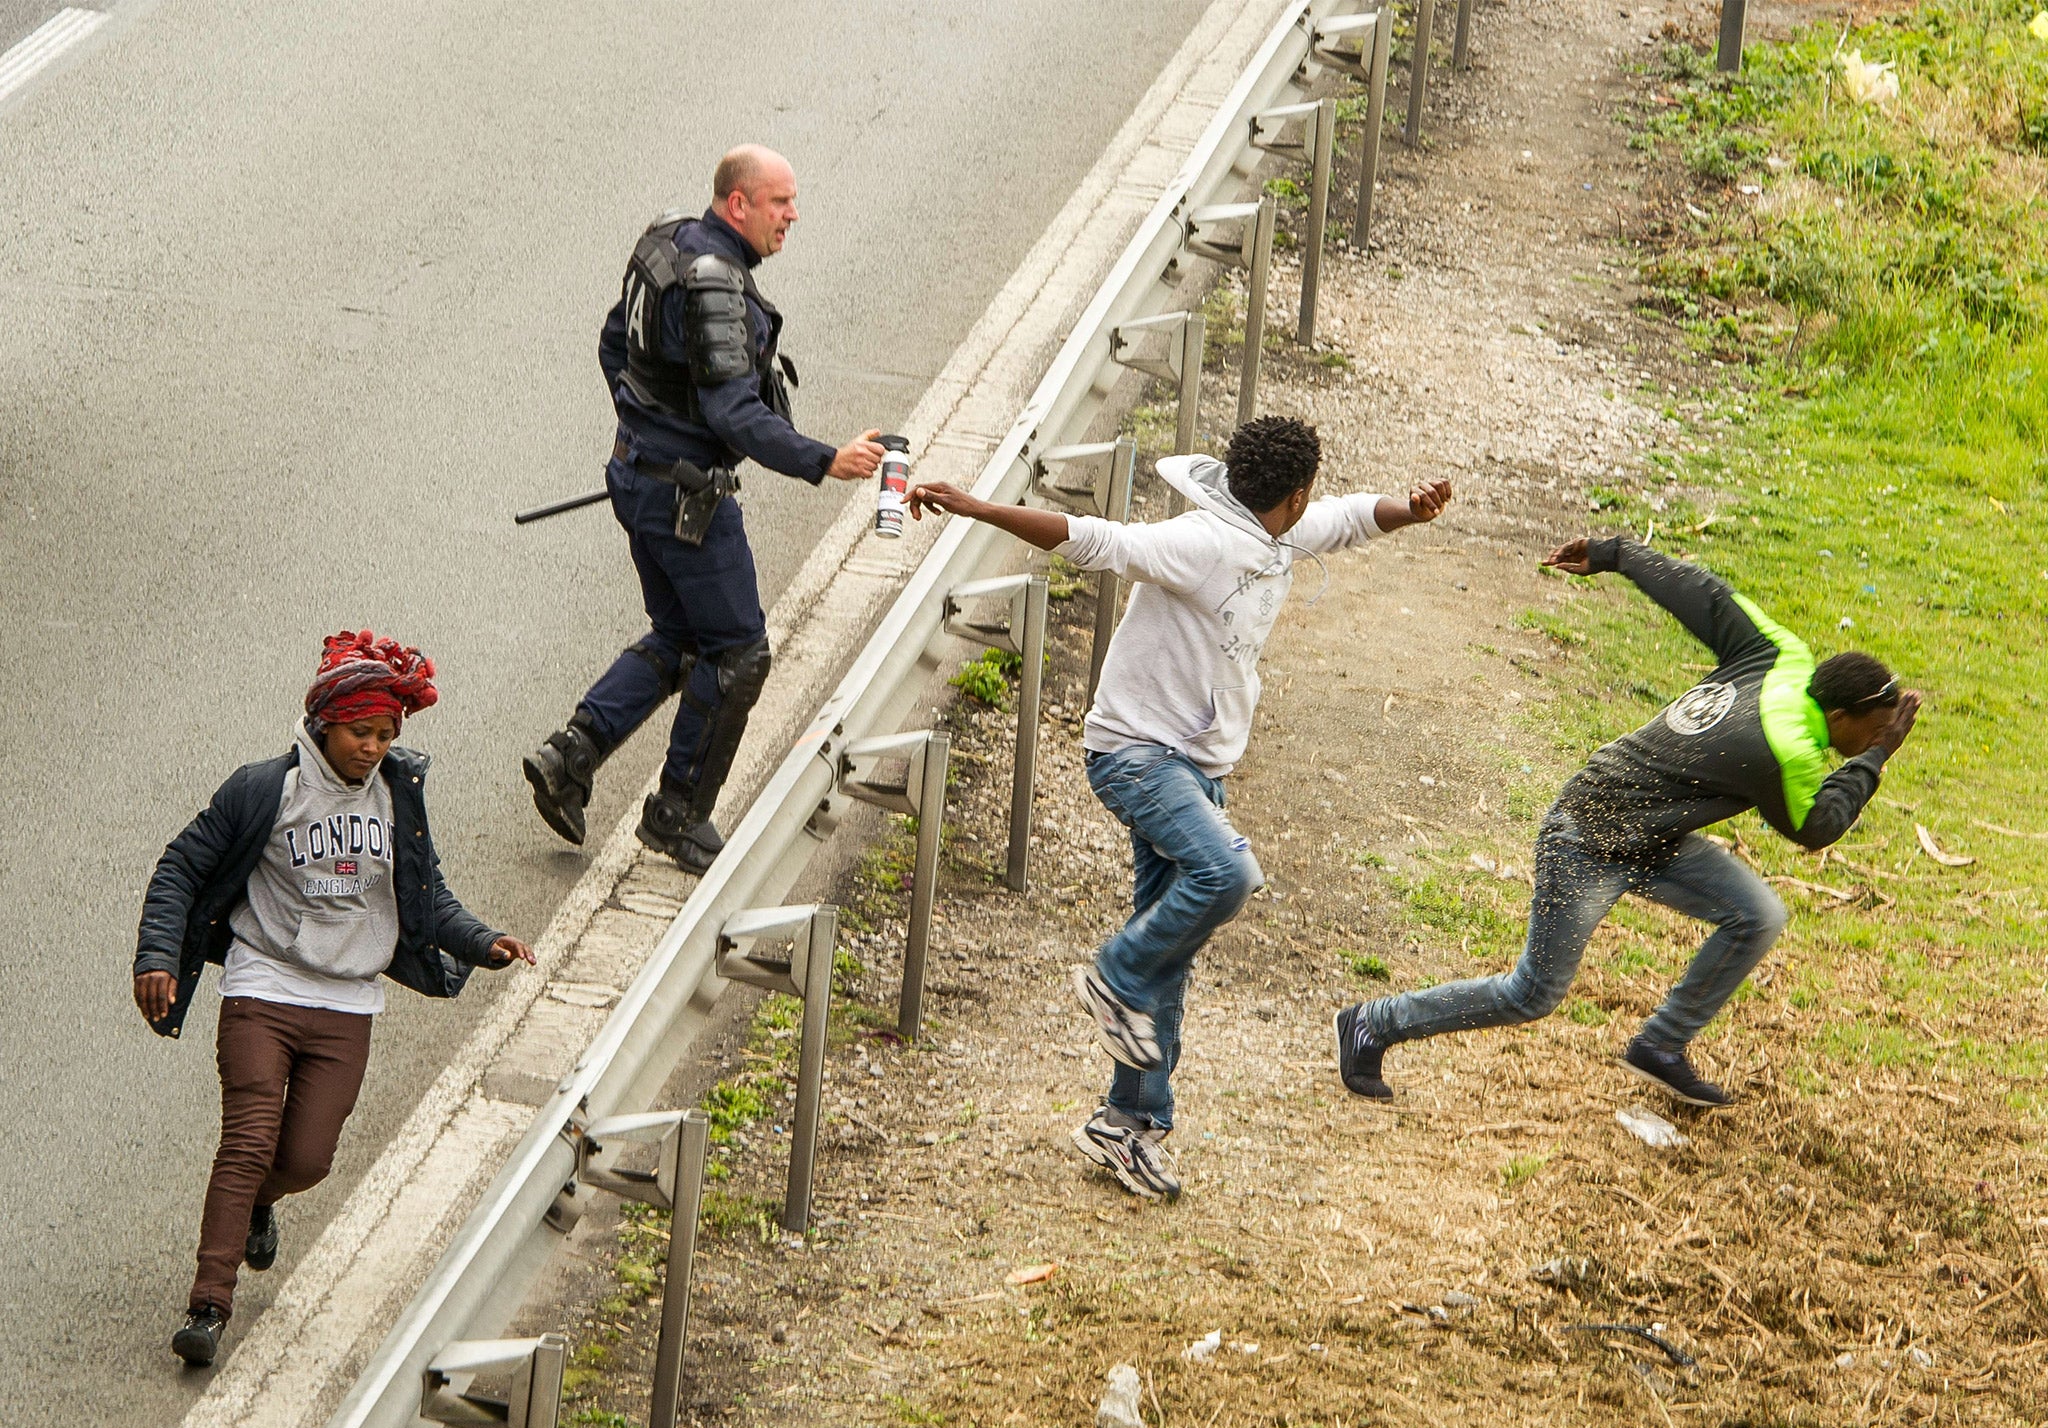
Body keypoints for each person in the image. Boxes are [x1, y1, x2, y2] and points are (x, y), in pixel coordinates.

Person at [910, 417, 1452, 1200]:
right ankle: (1113, 974)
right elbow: (1096, 539)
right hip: (1135, 757)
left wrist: (1409, 507)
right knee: (1228, 877)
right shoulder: (1202, 541)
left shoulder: (1285, 534)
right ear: (1292, 494)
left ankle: (1127, 1125)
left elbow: (1352, 520)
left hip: (1195, 771)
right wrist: (977, 506)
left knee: (1174, 952)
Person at [1335, 535, 1920, 1109]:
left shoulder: (1781, 654)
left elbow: (1704, 595)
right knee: (1533, 993)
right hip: (1587, 836)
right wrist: (1875, 758)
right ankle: (1371, 1023)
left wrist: (1617, 554)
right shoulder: (1785, 751)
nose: (1878, 738)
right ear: (1840, 716)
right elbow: (1817, 827)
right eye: (1872, 729)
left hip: (1650, 835)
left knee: (1757, 914)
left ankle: (1660, 1045)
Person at [133, 631, 536, 1366]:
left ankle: (262, 1200)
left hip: (347, 1004)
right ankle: (208, 1304)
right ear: (324, 724)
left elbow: (427, 898)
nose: (374, 746)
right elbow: (181, 867)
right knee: (249, 1139)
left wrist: (484, 940)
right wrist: (158, 955)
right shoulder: (264, 790)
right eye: (362, 731)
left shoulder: (396, 799)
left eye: (386, 734)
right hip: (264, 983)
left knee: (308, 1158)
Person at [524, 145, 887, 874]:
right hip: (686, 498)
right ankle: (677, 815)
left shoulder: (664, 246)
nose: (793, 215)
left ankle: (571, 757)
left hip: (637, 477)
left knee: (684, 636)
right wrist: (825, 459)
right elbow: (732, 413)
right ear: (737, 204)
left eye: (794, 201)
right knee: (738, 651)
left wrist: (644, 429)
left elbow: (613, 347)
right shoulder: (719, 283)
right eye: (780, 202)